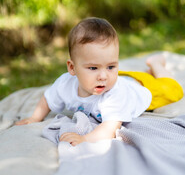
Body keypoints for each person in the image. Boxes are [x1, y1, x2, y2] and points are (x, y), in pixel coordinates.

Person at [15, 17, 183, 146]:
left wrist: (85, 139)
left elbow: (111, 127)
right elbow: (48, 98)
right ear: (72, 68)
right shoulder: (64, 84)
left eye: (111, 66)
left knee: (172, 88)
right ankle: (144, 71)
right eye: (93, 68)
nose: (103, 76)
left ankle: (156, 64)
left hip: (142, 90)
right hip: (125, 79)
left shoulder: (115, 94)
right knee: (123, 77)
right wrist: (34, 118)